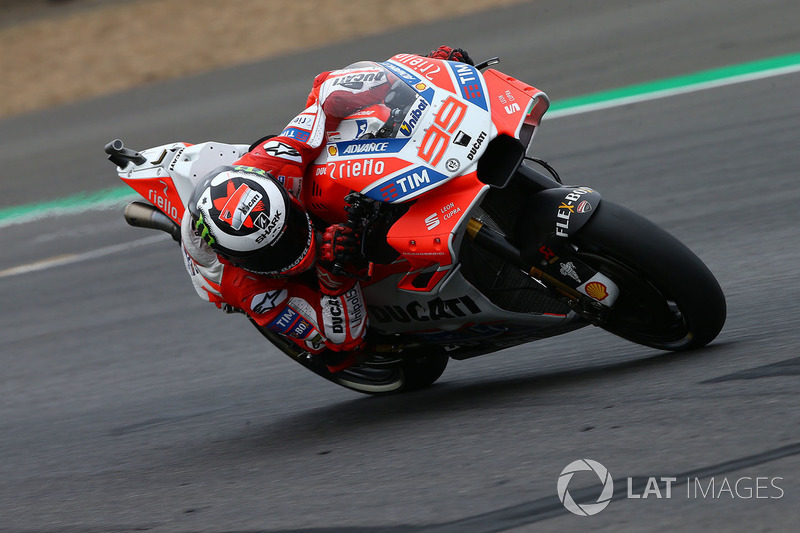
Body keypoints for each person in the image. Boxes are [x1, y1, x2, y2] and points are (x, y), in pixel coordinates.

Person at [180, 46, 474, 372]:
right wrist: (333, 278)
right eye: (274, 252)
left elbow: (322, 96)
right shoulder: (248, 288)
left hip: (254, 181)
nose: (295, 245)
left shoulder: (277, 160)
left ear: (282, 195)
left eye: (289, 227)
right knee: (340, 356)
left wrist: (425, 73)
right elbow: (339, 339)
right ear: (240, 260)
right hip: (275, 286)